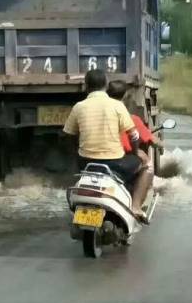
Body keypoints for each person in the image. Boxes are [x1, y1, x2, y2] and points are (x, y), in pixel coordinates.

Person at [63, 69, 147, 218]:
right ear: (106, 85)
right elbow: (134, 136)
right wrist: (135, 153)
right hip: (115, 163)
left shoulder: (79, 107)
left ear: (86, 86)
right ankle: (136, 207)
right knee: (147, 167)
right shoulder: (117, 106)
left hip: (86, 163)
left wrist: (77, 154)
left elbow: (69, 135)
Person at [107, 80, 155, 215]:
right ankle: (136, 207)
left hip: (93, 159)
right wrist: (136, 150)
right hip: (120, 159)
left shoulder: (95, 114)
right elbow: (137, 137)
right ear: (126, 95)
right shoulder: (129, 117)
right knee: (147, 163)